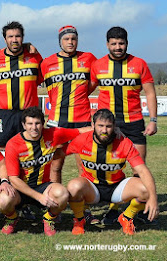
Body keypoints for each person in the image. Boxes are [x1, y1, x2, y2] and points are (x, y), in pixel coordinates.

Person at [90, 26, 158, 225]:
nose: (118, 47)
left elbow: (150, 92)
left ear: (127, 43)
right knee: (113, 169)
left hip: (134, 123)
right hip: (108, 126)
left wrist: (153, 120)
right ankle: (113, 209)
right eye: (114, 43)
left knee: (138, 168)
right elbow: (84, 90)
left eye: (121, 43)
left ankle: (138, 210)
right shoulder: (98, 65)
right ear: (107, 44)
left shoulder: (139, 64)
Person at [0, 107, 91, 236]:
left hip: (43, 186)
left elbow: (80, 131)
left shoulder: (53, 134)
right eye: (30, 124)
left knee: (63, 194)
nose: (34, 127)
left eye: (37, 123)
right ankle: (12, 218)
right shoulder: (13, 144)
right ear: (24, 125)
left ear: (43, 124)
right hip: (20, 189)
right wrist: (39, 197)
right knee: (3, 201)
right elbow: (13, 179)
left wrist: (110, 129)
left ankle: (48, 218)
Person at [66, 109, 158, 235]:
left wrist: (153, 197)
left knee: (146, 189)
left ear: (114, 127)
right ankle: (79, 220)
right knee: (73, 187)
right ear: (92, 126)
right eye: (100, 126)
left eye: (108, 126)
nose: (104, 130)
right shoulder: (82, 140)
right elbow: (59, 154)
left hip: (116, 188)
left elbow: (142, 170)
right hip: (92, 189)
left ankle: (126, 218)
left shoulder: (124, 142)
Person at [40, 25, 98, 223]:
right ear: (60, 41)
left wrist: (80, 96)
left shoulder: (89, 58)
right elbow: (29, 80)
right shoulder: (47, 62)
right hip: (57, 122)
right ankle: (55, 208)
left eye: (74, 38)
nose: (70, 42)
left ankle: (84, 211)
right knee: (55, 166)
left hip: (82, 120)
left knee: (85, 167)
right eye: (66, 39)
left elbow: (94, 82)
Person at [0, 21, 43, 153]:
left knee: (29, 150)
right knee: (2, 150)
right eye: (10, 37)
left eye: (17, 36)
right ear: (5, 39)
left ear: (22, 38)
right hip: (4, 114)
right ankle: (5, 175)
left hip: (28, 113)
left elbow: (43, 77)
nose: (14, 40)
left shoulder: (33, 56)